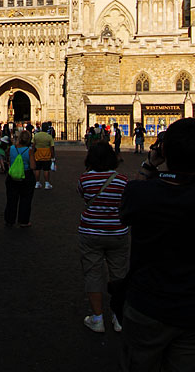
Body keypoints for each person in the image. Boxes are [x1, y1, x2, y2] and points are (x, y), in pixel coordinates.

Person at [120, 118, 195, 371]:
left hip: (147, 304)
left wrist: (149, 164)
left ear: (164, 151)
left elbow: (130, 199)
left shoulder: (141, 194)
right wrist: (194, 170)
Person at [77, 140, 129, 333]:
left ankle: (97, 318)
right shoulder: (122, 180)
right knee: (119, 273)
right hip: (117, 232)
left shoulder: (85, 179)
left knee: (92, 272)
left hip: (90, 231)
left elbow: (82, 195)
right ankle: (118, 318)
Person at [4, 129, 36, 228]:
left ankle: (10, 220)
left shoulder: (11, 148)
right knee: (25, 199)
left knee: (11, 199)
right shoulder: (29, 151)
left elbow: (6, 157)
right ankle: (23, 221)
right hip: (26, 176)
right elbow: (33, 166)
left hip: (13, 176)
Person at [33, 124, 56, 189]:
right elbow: (52, 147)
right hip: (46, 154)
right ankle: (47, 183)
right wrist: (53, 156)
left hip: (38, 154)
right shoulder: (49, 137)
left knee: (37, 169)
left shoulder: (36, 136)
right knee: (46, 169)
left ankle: (37, 183)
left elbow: (33, 145)